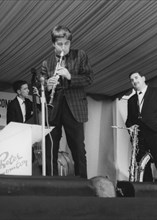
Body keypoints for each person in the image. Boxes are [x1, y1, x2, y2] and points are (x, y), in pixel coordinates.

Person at [42, 25, 94, 177]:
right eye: (60, 44)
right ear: (53, 44)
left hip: (74, 108)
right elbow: (41, 87)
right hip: (54, 108)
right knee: (50, 148)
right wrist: (47, 85)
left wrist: (69, 76)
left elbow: (89, 78)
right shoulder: (47, 63)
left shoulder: (80, 55)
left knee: (78, 148)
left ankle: (83, 184)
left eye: (67, 43)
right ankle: (51, 183)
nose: (64, 47)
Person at [126, 71, 157, 182]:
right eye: (132, 80)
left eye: (136, 78)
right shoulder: (131, 100)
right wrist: (130, 128)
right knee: (142, 168)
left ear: (143, 78)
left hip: (155, 134)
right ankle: (147, 194)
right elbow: (129, 120)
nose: (134, 81)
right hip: (139, 138)